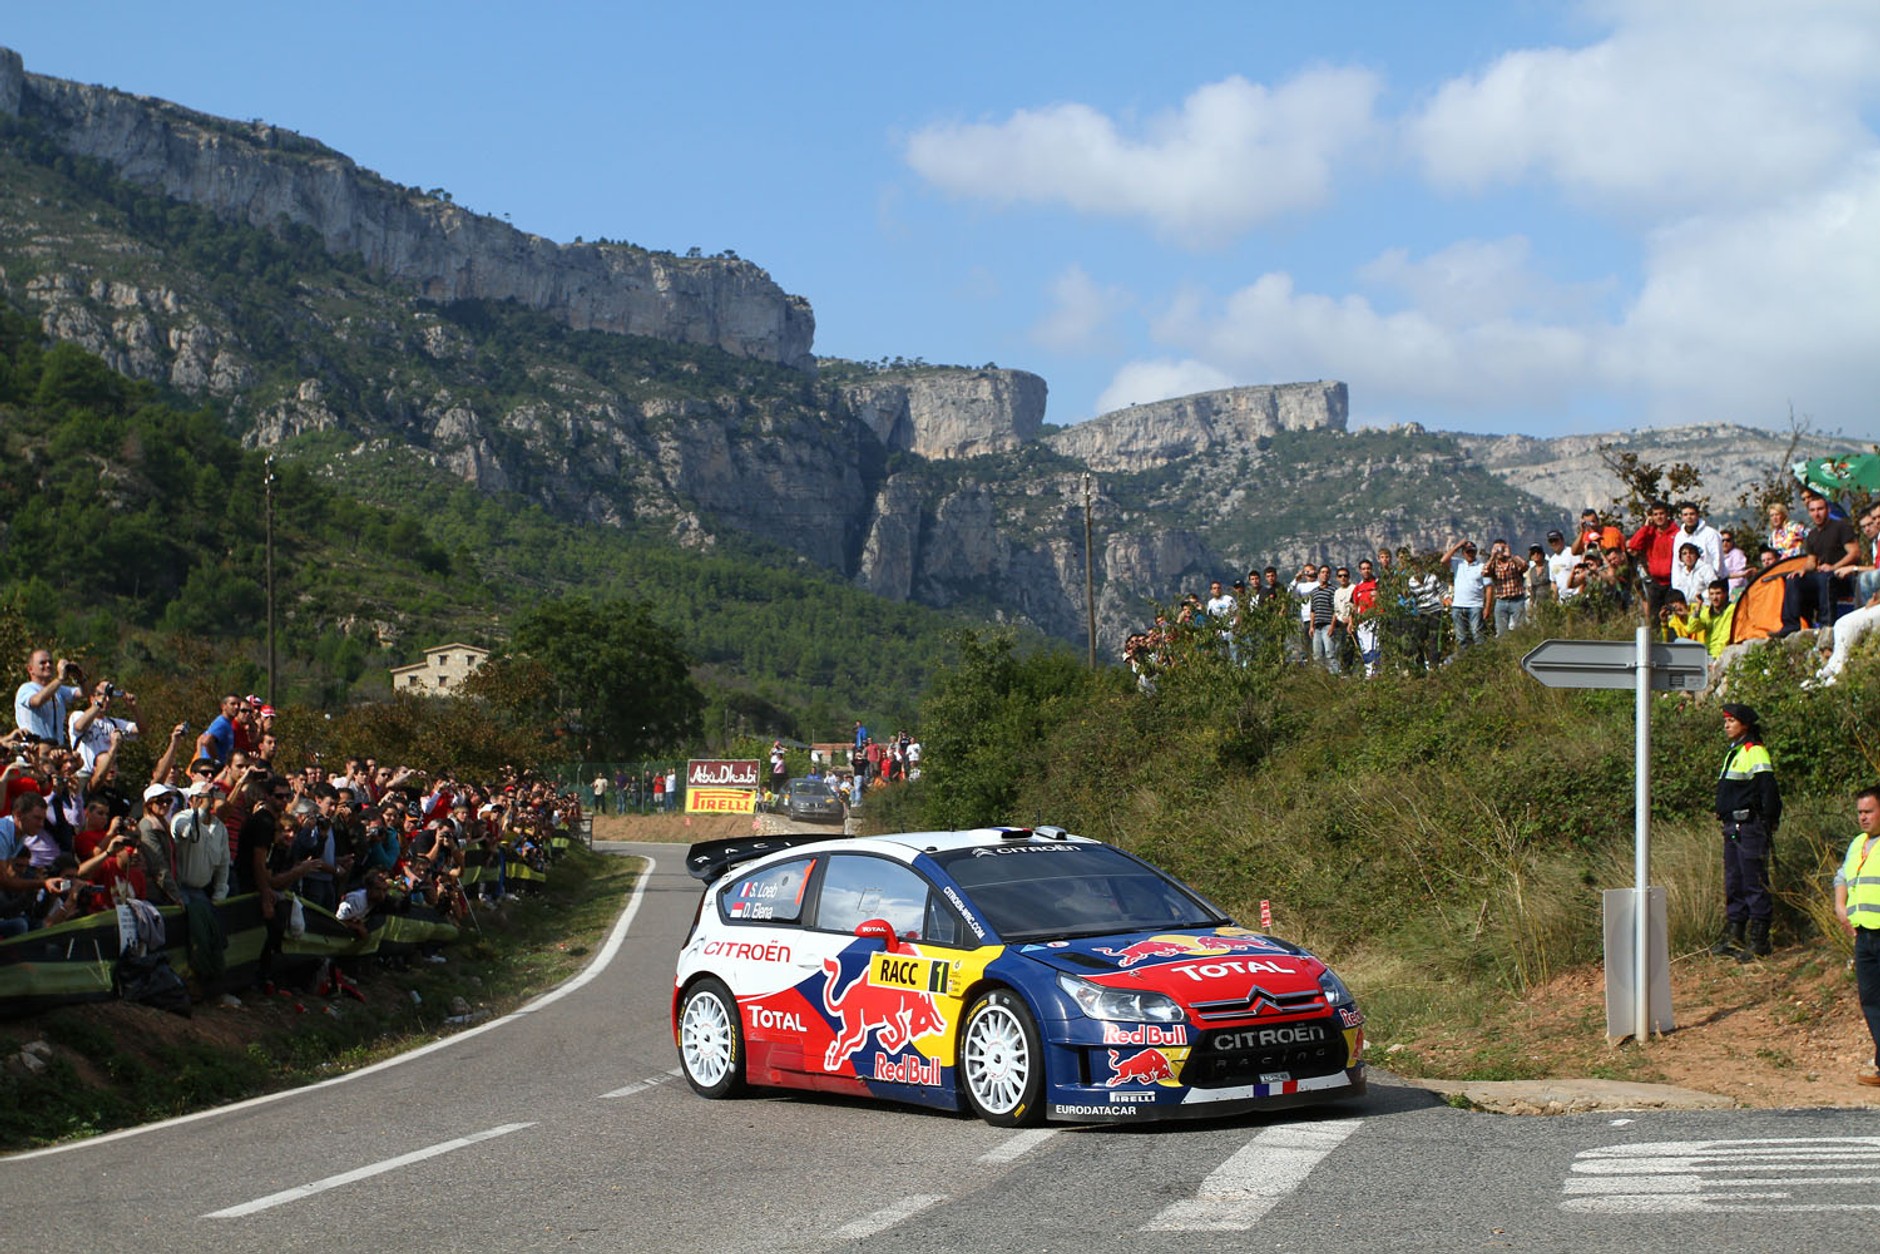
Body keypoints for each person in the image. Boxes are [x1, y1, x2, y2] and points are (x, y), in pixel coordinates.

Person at [1711, 704, 1780, 961]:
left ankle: (1760, 940)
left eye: (1732, 721)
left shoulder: (1755, 751)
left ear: (1745, 725)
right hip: (1733, 827)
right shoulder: (1735, 752)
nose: (1727, 725)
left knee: (1754, 881)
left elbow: (1768, 789)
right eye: (1726, 721)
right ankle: (1735, 936)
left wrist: (1769, 820)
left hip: (1749, 827)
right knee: (1734, 881)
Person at [1834, 786, 1880, 1086]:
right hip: (1863, 934)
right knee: (1871, 999)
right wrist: (1840, 905)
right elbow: (1842, 875)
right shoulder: (1857, 844)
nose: (1863, 818)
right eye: (1860, 812)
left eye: (1869, 812)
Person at [1777, 492, 1859, 636]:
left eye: (1820, 509)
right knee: (1793, 580)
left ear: (1827, 510)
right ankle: (1790, 626)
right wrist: (1802, 570)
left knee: (1825, 577)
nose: (1817, 514)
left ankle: (1826, 624)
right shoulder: (1812, 535)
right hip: (1822, 575)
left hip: (1843, 575)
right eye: (1813, 510)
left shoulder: (1841, 527)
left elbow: (1854, 553)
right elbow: (1811, 561)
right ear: (1809, 513)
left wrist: (1834, 567)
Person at [1626, 501, 1680, 625]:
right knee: (1654, 619)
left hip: (1673, 582)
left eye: (1662, 514)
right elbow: (1633, 545)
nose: (1659, 517)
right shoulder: (1649, 533)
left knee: (1673, 619)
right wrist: (1645, 527)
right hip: (1655, 584)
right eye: (1655, 514)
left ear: (1667, 515)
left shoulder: (1676, 533)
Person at [15, 650, 81, 747]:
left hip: (55, 754)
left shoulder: (58, 689)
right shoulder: (26, 689)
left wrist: (80, 677)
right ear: (30, 669)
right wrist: (60, 679)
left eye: (50, 662)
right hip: (33, 753)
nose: (48, 665)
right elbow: (37, 701)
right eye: (43, 663)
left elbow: (85, 693)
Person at [1442, 539, 1486, 650]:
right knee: (1461, 637)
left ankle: (1481, 659)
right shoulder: (1458, 563)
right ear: (1463, 553)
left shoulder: (1481, 566)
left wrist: (1487, 607)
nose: (1470, 554)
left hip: (1475, 605)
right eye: (1467, 551)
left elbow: (1489, 587)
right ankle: (1464, 661)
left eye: (1472, 551)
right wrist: (1457, 546)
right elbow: (1443, 560)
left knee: (1477, 635)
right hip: (1458, 605)